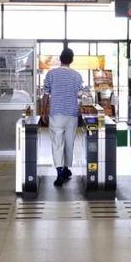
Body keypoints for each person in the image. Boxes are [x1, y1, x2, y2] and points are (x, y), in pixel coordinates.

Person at [42, 48, 83, 187]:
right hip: (71, 114)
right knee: (69, 142)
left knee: (57, 143)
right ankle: (66, 168)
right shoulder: (77, 76)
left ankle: (60, 172)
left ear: (60, 59)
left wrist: (43, 112)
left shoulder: (51, 74)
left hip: (56, 114)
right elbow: (80, 95)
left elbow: (46, 94)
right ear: (72, 60)